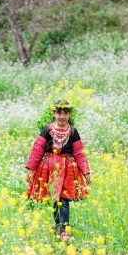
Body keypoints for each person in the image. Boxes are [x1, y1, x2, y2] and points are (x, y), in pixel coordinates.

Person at [25, 100, 91, 240]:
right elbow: (38, 149)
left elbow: (79, 152)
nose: (62, 116)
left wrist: (86, 172)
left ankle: (64, 230)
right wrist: (31, 169)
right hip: (48, 168)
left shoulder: (73, 132)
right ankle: (58, 226)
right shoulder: (47, 129)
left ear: (69, 115)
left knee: (64, 199)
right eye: (59, 113)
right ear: (54, 114)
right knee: (54, 199)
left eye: (65, 113)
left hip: (67, 169)